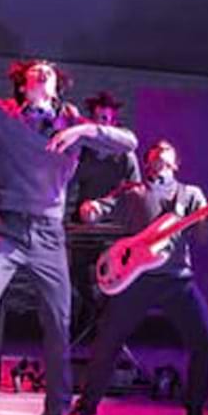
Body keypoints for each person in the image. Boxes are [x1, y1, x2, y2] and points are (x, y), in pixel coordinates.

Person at [0, 59, 138, 415]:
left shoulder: (73, 122)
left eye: (49, 69)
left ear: (58, 85)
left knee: (59, 326)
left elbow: (129, 142)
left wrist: (85, 127)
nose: (42, 70)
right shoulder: (6, 114)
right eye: (35, 69)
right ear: (23, 86)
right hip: (9, 227)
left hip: (48, 236)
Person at [68, 140, 208, 415]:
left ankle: (194, 409)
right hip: (136, 280)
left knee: (206, 340)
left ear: (175, 165)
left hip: (177, 280)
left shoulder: (190, 194)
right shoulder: (133, 190)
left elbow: (205, 238)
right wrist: (91, 209)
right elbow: (103, 207)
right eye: (155, 158)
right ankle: (86, 405)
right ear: (147, 161)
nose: (160, 161)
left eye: (166, 159)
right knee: (107, 341)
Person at [68, 90, 140, 335]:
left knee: (112, 276)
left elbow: (134, 190)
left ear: (114, 123)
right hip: (84, 222)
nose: (102, 124)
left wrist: (105, 205)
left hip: (113, 224)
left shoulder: (125, 155)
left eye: (106, 119)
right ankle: (91, 312)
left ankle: (105, 324)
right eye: (97, 119)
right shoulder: (84, 151)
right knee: (76, 273)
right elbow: (66, 180)